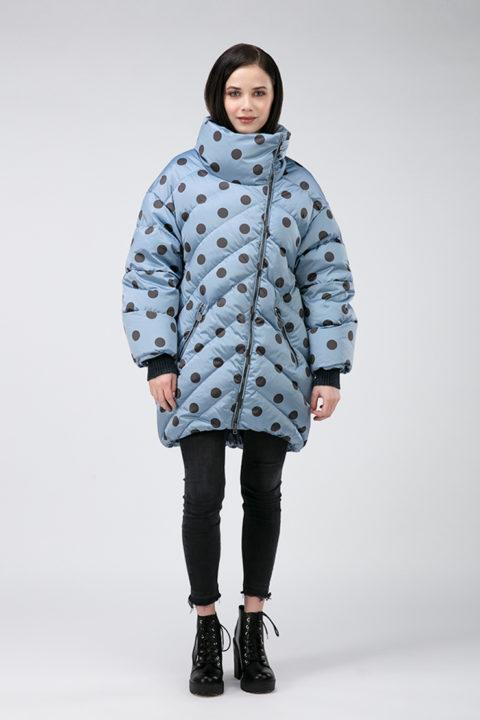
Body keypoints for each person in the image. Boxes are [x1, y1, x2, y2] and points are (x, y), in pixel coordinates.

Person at [121, 43, 358, 696]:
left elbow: (327, 277)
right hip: (197, 366)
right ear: (216, 97)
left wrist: (329, 368)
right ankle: (206, 627)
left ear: (274, 98)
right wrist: (158, 357)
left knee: (263, 492)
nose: (246, 105)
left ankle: (252, 628)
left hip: (277, 368)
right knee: (202, 496)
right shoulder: (180, 177)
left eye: (258, 92)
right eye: (234, 92)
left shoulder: (299, 185)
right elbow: (149, 269)